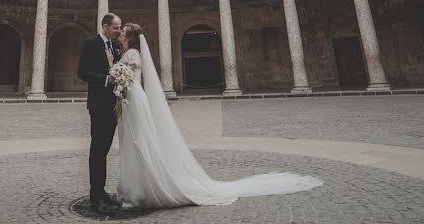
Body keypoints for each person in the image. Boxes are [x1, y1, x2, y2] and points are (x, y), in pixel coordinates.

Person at [115, 22, 323, 209]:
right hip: (131, 99)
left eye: (122, 31)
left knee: (140, 139)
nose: (120, 33)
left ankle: (143, 186)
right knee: (134, 140)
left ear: (130, 37)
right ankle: (136, 186)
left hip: (134, 99)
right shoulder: (130, 52)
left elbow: (126, 71)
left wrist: (113, 70)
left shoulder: (132, 53)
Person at [76, 12, 123, 214]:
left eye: (119, 28)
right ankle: (95, 197)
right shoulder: (91, 44)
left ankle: (101, 192)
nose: (119, 31)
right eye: (116, 28)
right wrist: (106, 79)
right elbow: (82, 72)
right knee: (97, 151)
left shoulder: (116, 46)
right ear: (105, 26)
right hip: (98, 104)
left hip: (113, 104)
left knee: (104, 150)